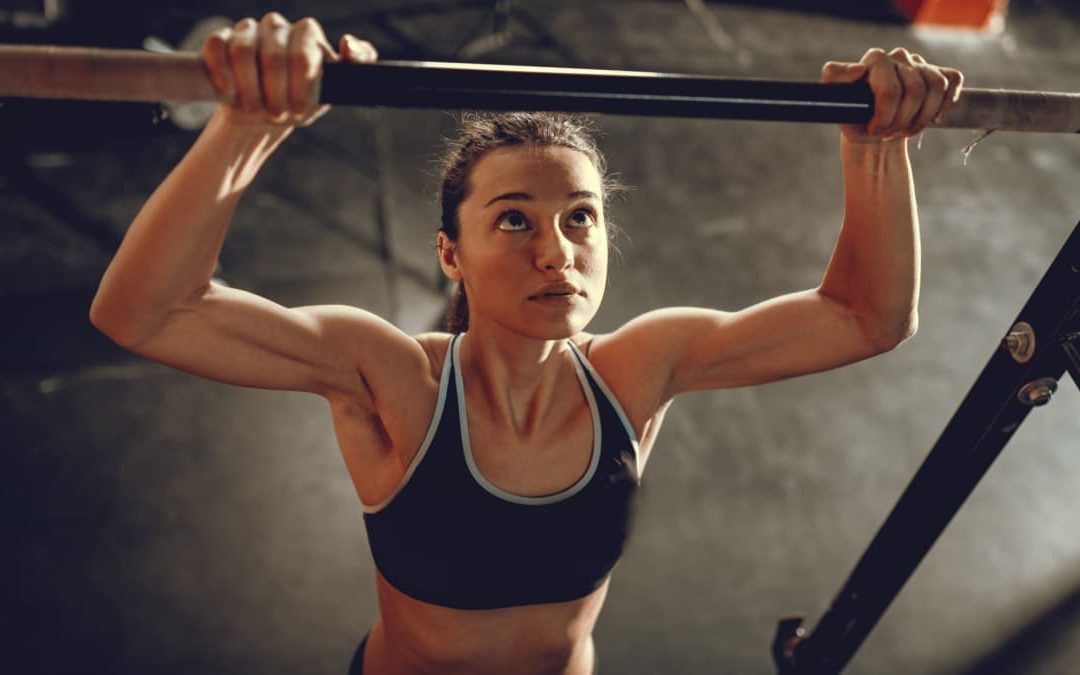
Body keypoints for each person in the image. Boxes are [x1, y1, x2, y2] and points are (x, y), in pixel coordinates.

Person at [89, 12, 963, 675]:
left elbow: (866, 316)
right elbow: (147, 313)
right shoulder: (395, 379)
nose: (557, 251)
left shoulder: (634, 371)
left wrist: (876, 142)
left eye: (580, 218)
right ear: (451, 253)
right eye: (514, 220)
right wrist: (250, 122)